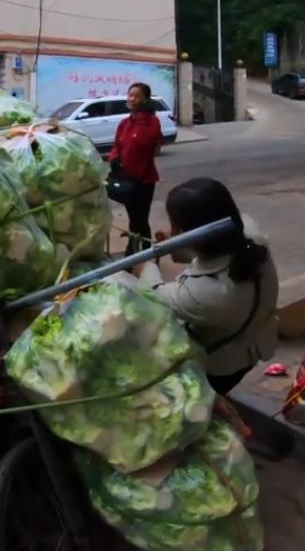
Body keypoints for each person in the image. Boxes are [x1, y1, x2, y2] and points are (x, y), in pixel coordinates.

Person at [137, 177, 279, 396]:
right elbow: (212, 252)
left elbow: (153, 293)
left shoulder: (207, 294)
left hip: (220, 365)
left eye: (175, 225)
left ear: (190, 233)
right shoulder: (249, 235)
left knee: (201, 397)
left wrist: (145, 268)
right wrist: (176, 242)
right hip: (252, 341)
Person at [107, 82, 163, 255]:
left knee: (140, 220)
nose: (131, 99)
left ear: (146, 100)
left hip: (143, 181)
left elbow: (148, 142)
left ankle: (135, 254)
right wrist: (114, 159)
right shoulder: (124, 123)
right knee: (135, 220)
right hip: (126, 179)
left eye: (137, 96)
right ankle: (139, 254)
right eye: (130, 95)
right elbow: (117, 145)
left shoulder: (151, 122)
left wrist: (143, 115)